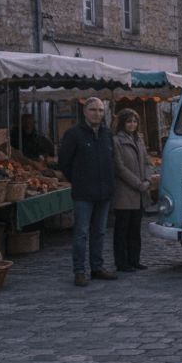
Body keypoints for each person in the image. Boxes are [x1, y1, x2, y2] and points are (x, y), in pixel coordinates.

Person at [59, 98, 117, 286]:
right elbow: (64, 163)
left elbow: (112, 159)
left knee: (99, 232)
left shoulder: (107, 134)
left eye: (100, 110)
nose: (97, 114)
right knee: (81, 234)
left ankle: (97, 267)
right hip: (83, 193)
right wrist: (79, 180)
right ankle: (79, 271)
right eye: (93, 110)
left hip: (104, 192)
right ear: (85, 111)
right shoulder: (73, 134)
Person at [112, 109, 154, 273]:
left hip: (141, 193)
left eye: (134, 121)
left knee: (135, 229)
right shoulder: (116, 141)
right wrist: (138, 184)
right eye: (129, 121)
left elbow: (147, 162)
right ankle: (122, 263)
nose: (132, 124)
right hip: (125, 193)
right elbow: (119, 167)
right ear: (123, 123)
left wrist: (148, 180)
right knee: (122, 230)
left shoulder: (139, 139)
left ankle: (135, 260)